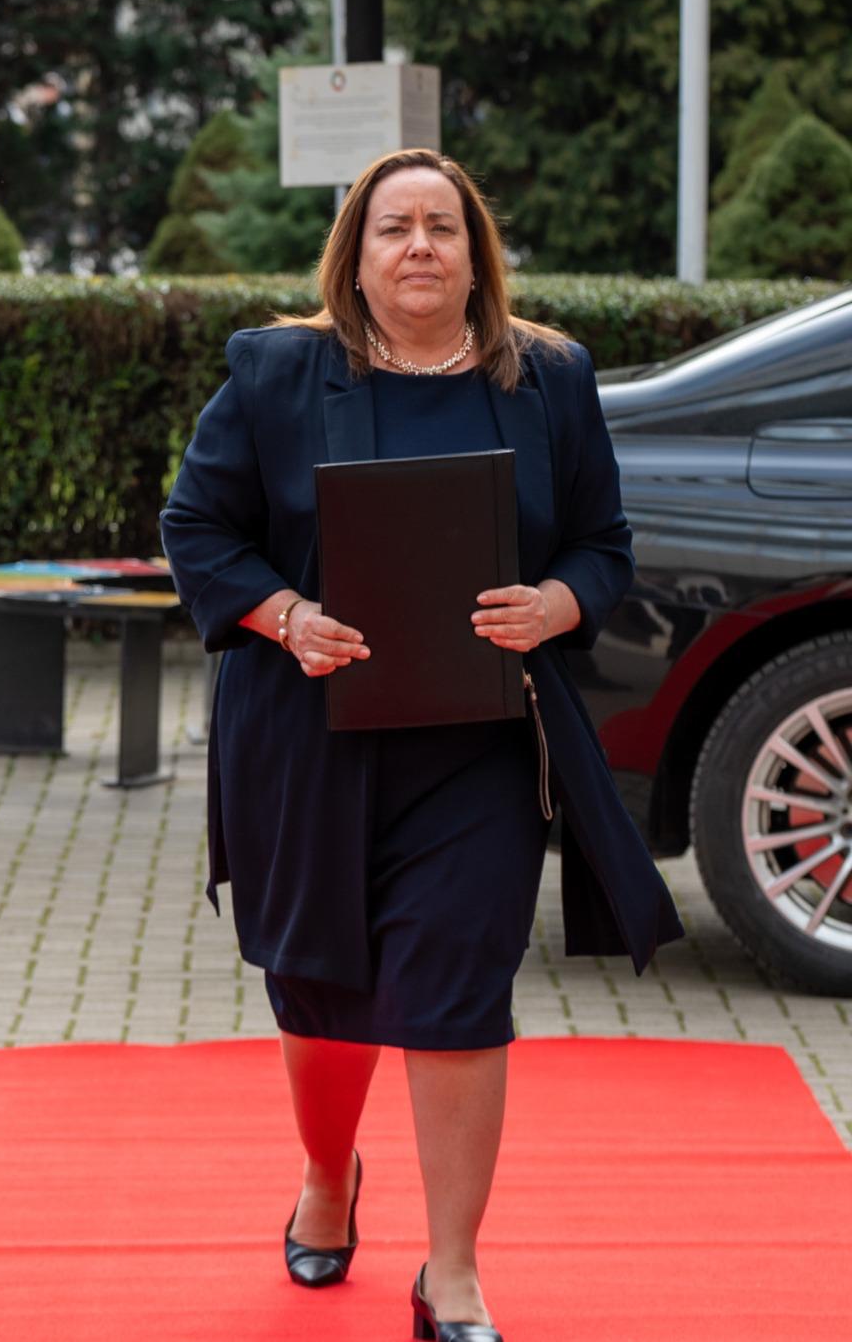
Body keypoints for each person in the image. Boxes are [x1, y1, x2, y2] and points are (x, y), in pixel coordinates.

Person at [159, 147, 683, 1342]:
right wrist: (283, 615)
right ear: (355, 250)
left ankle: (452, 1272)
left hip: (481, 746)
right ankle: (330, 1175)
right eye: (393, 227)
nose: (418, 248)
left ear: (474, 250)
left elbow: (602, 543)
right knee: (321, 994)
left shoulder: (547, 377)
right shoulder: (276, 371)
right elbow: (197, 524)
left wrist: (558, 602)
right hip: (308, 738)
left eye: (441, 228)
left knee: (457, 989)